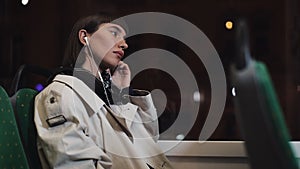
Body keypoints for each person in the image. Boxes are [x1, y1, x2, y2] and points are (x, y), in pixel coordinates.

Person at [34, 13, 174, 169]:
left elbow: (146, 141)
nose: (124, 44)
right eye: (114, 33)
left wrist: (121, 93)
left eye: (124, 39)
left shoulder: (104, 94)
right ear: (84, 37)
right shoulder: (61, 94)